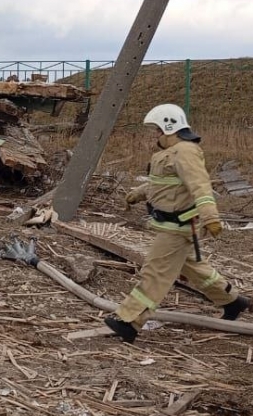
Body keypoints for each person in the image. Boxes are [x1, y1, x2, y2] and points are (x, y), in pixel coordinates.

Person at [105, 104, 251, 343]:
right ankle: (233, 301)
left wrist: (211, 217)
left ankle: (130, 322)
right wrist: (139, 193)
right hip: (170, 226)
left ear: (169, 126)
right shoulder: (169, 154)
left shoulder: (185, 151)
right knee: (195, 269)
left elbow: (200, 186)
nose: (155, 135)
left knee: (154, 272)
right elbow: (164, 184)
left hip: (177, 228)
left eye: (157, 130)